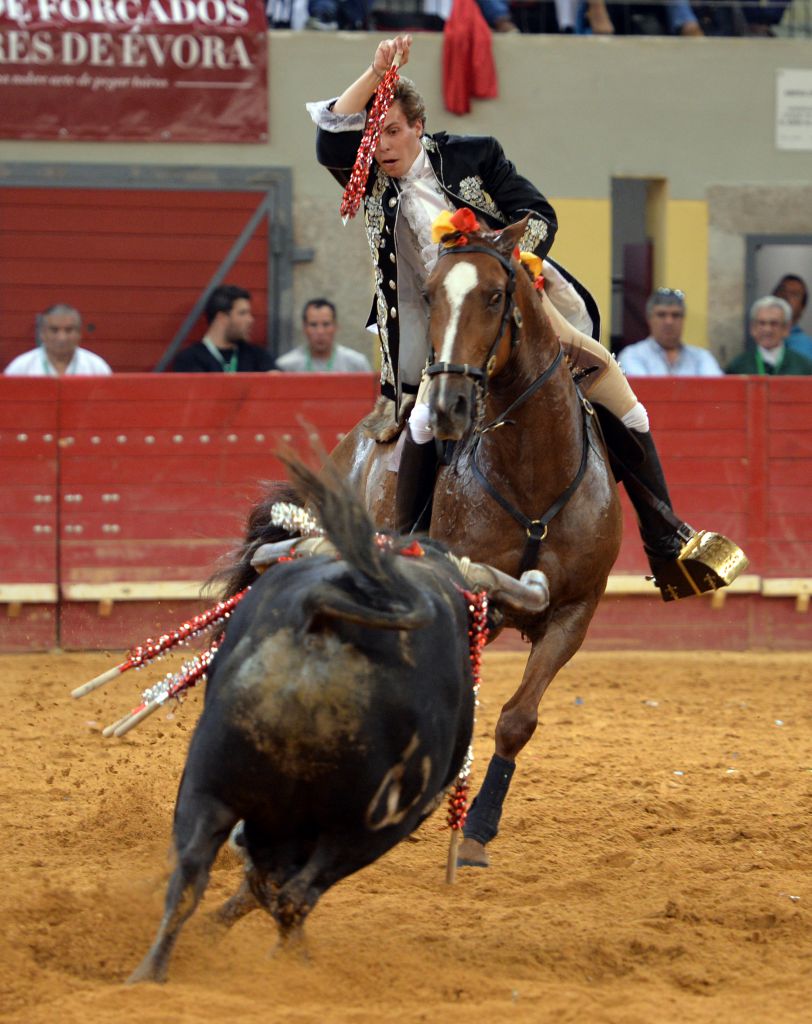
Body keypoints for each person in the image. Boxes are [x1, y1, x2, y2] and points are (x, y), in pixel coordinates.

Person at [307, 34, 738, 596]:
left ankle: (666, 539)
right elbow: (328, 139)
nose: (383, 144)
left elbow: (537, 212)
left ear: (418, 125)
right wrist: (373, 71)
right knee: (419, 419)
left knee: (616, 391)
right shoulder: (371, 183)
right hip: (434, 316)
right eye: (375, 135)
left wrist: (493, 254)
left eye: (392, 130)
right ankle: (406, 542)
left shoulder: (472, 152)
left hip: (507, 294)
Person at [618, 289, 723, 376]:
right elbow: (643, 393)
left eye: (676, 315)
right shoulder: (632, 355)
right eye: (661, 315)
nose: (669, 322)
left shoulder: (701, 357)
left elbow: (718, 390)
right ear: (649, 319)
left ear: (683, 319)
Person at [172, 285, 274, 373]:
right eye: (242, 313)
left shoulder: (258, 357)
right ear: (222, 318)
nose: (250, 320)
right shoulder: (189, 359)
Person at [4, 304, 111, 377]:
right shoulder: (21, 367)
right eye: (54, 330)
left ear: (79, 333)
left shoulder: (96, 367)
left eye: (69, 330)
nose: (62, 338)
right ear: (42, 333)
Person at [275, 299, 372, 372]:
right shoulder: (286, 366)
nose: (320, 332)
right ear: (304, 328)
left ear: (336, 326)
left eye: (326, 324)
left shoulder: (356, 364)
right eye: (313, 325)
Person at [726, 296, 812, 376]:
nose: (767, 330)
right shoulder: (738, 367)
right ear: (753, 328)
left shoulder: (804, 367)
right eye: (762, 323)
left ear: (786, 329)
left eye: (774, 323)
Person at [772, 274, 812, 362]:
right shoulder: (763, 338)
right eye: (782, 291)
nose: (786, 297)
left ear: (802, 307)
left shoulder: (808, 347)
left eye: (794, 294)